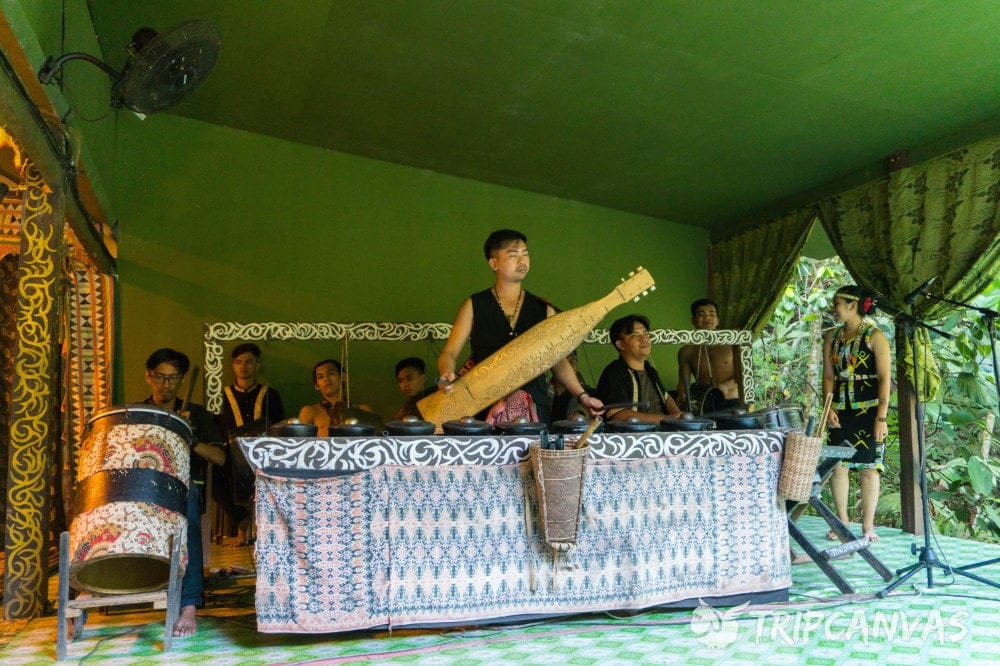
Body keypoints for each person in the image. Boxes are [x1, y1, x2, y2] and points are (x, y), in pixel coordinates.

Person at [436, 229, 602, 424]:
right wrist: (446, 373)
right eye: (513, 254)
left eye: (525, 253)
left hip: (534, 408)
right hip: (484, 408)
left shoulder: (543, 309)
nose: (522, 260)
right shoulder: (474, 305)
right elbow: (449, 353)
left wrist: (582, 396)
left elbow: (557, 360)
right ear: (494, 263)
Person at [142, 348, 225, 637]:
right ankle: (99, 589)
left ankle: (188, 605)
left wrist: (190, 435)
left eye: (173, 378)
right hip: (146, 486)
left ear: (181, 380)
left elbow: (219, 458)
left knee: (185, 512)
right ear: (149, 377)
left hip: (184, 486)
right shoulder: (140, 412)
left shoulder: (197, 413)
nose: (166, 385)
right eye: (160, 377)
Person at [823, 285, 891, 543]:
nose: (833, 309)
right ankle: (842, 522)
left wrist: (881, 417)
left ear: (852, 305)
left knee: (869, 468)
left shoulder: (875, 336)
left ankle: (867, 526)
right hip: (839, 411)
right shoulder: (832, 337)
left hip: (870, 410)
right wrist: (828, 408)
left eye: (837, 304)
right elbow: (828, 377)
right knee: (837, 467)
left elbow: (885, 379)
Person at [214, 343, 284, 544]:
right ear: (233, 366)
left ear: (257, 365)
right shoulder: (221, 395)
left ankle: (264, 528)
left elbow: (279, 425)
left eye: (249, 362)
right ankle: (242, 521)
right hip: (230, 452)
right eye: (238, 362)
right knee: (215, 476)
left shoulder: (270, 394)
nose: (243, 366)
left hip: (263, 453)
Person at [596, 314, 685, 423]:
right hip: (637, 432)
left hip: (664, 428)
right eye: (634, 335)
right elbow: (619, 415)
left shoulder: (650, 370)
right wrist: (667, 419)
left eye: (645, 333)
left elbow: (666, 397)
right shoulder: (614, 372)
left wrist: (679, 416)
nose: (644, 338)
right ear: (621, 344)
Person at [676, 298, 742, 414]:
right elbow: (683, 382)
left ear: (717, 320)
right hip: (705, 403)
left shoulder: (733, 345)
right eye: (701, 314)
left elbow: (744, 373)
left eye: (712, 314)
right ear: (693, 320)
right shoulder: (686, 351)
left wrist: (726, 386)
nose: (707, 318)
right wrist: (682, 394)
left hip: (732, 400)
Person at [298, 359, 377, 434]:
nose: (326, 379)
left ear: (343, 377)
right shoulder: (309, 412)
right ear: (316, 386)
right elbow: (300, 440)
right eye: (320, 377)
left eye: (331, 373)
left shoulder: (363, 410)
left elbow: (377, 439)